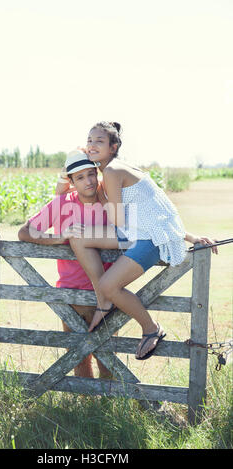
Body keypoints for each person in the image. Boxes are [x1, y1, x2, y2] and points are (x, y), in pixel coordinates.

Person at [56, 121, 218, 360]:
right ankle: (104, 300)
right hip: (139, 231)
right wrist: (68, 166)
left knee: (109, 285)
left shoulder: (112, 171)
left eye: (99, 141)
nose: (92, 145)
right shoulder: (108, 170)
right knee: (77, 237)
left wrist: (99, 196)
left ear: (113, 147)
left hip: (149, 238)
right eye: (89, 141)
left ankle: (151, 328)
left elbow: (121, 218)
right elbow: (150, 211)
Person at [18, 150, 114, 378]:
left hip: (106, 292)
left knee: (108, 359)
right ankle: (85, 406)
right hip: (70, 294)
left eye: (91, 174)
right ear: (70, 181)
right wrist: (58, 238)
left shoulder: (109, 202)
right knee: (78, 357)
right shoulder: (61, 203)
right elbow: (24, 232)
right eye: (79, 178)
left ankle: (109, 407)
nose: (88, 181)